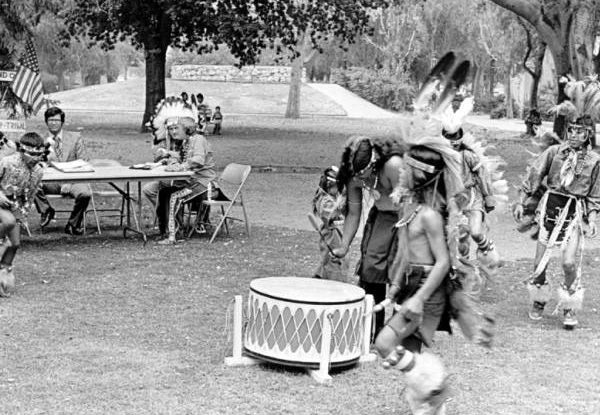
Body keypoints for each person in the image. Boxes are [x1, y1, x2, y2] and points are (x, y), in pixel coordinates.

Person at [513, 75, 600, 329]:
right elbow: (534, 176)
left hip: (573, 213)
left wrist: (592, 218)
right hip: (550, 208)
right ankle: (539, 299)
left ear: (587, 135)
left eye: (579, 132)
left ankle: (570, 306)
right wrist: (522, 201)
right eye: (570, 130)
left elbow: (595, 193)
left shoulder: (595, 161)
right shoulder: (554, 152)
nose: (573, 135)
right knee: (540, 262)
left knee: (570, 262)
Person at [332, 136, 404, 339]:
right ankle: (373, 328)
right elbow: (354, 213)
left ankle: (398, 331)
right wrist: (344, 246)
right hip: (381, 217)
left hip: (409, 218)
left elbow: (413, 203)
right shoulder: (353, 175)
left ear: (375, 162)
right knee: (371, 267)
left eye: (365, 174)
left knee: (403, 272)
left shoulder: (393, 166)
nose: (362, 181)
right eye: (358, 176)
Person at [438, 97, 502, 273]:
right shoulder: (440, 157)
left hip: (473, 199)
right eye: (448, 137)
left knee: (474, 232)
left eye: (454, 137)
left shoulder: (469, 156)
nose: (452, 141)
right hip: (452, 200)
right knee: (457, 237)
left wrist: (488, 197)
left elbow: (482, 175)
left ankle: (487, 250)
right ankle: (459, 270)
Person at [150, 98, 217, 244]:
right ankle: (165, 231)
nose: (173, 132)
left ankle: (174, 236)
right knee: (164, 192)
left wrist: (182, 166)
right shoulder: (187, 142)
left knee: (174, 196)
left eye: (176, 128)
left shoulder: (198, 139)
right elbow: (182, 157)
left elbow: (198, 160)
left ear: (186, 128)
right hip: (194, 182)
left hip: (204, 184)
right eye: (171, 129)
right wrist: (170, 158)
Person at [0, 132, 46, 297]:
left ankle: (4, 272)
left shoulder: (38, 171)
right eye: (31, 154)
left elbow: (31, 196)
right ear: (21, 150)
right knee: (9, 222)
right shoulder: (6, 162)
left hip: (16, 206)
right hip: (1, 202)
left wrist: (23, 215)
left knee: (15, 243)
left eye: (38, 154)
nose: (35, 158)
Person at [34, 106, 91, 235]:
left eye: (57, 120)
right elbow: (34, 165)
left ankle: (73, 224)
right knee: (30, 184)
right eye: (50, 120)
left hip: (73, 180)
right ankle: (46, 210)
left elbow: (84, 162)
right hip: (50, 181)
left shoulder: (75, 137)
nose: (53, 123)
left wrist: (70, 182)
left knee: (85, 194)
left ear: (62, 122)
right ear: (46, 121)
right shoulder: (40, 140)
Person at [311, 166, 348, 282]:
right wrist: (343, 198)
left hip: (339, 236)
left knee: (340, 264)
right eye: (337, 187)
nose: (338, 190)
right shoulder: (324, 200)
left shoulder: (333, 197)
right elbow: (332, 214)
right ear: (329, 185)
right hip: (332, 237)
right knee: (332, 265)